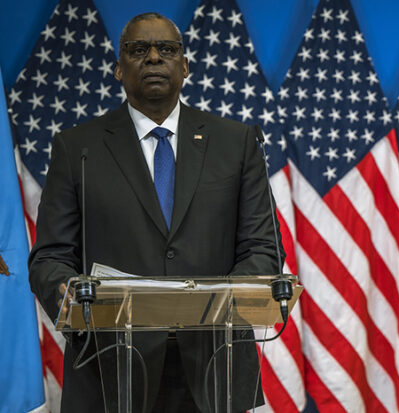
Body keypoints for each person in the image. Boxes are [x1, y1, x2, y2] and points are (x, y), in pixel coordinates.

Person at [28, 12, 283, 412]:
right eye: (137, 49)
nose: (152, 58)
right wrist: (65, 289)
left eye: (166, 49)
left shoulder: (237, 143)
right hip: (109, 368)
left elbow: (263, 249)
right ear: (117, 69)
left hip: (214, 364)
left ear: (185, 66)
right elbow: (50, 257)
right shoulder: (77, 148)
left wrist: (218, 302)